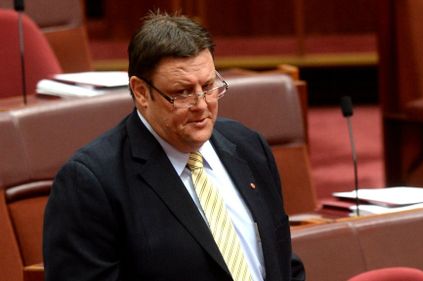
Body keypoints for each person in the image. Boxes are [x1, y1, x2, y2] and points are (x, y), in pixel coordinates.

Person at [43, 11, 305, 281]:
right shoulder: (91, 183)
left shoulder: (249, 147)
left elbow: (283, 264)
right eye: (183, 92)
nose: (202, 105)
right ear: (142, 92)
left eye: (208, 85)